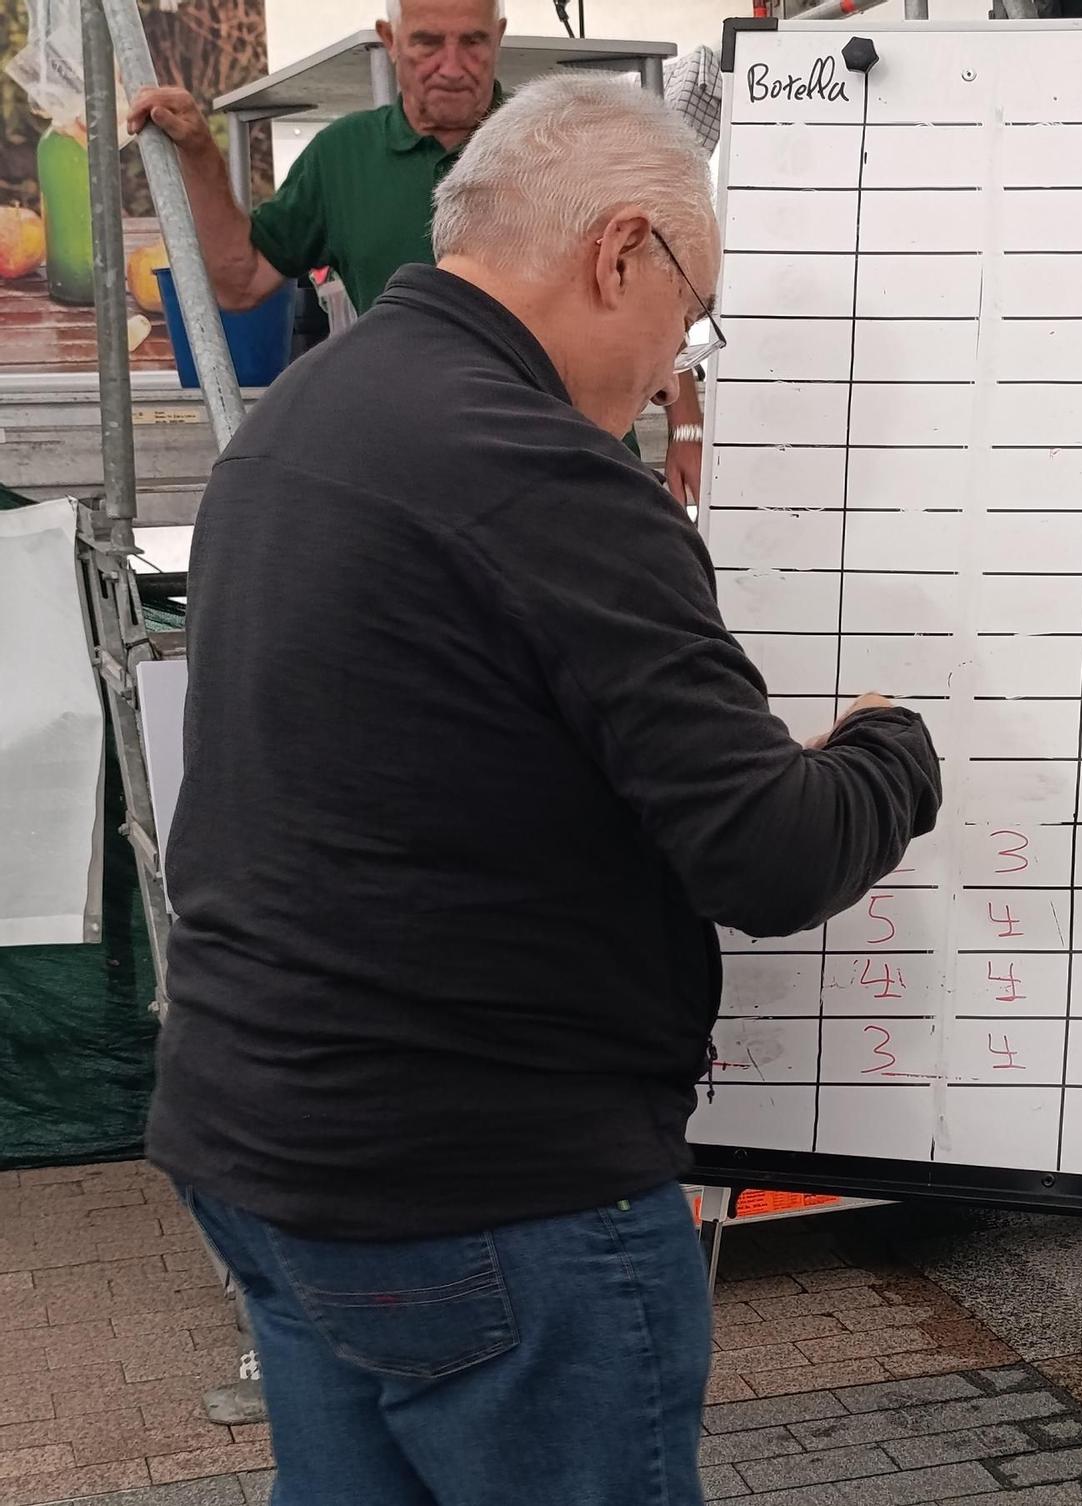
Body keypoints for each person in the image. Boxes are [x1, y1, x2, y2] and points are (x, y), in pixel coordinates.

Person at [146, 74, 942, 1504]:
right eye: (690, 310)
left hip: (261, 1140)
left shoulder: (311, 406)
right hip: (483, 1193)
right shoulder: (542, 476)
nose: (677, 360)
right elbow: (767, 855)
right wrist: (890, 748)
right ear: (620, 249)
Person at [125, 0, 709, 505]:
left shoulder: (565, 140)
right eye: (429, 42)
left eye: (473, 42)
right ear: (391, 42)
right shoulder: (342, 158)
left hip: (585, 461)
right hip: (428, 473)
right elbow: (241, 281)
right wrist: (200, 155)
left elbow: (668, 288)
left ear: (498, 39)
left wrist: (686, 429)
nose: (452, 67)